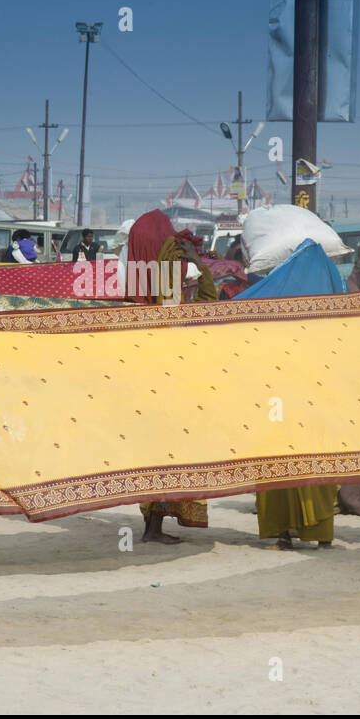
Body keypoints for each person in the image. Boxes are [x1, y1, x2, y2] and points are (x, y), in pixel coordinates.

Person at [126, 210, 219, 543]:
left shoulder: (134, 281)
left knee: (151, 452)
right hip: (173, 380)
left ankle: (153, 523)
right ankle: (154, 527)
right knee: (170, 451)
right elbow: (208, 308)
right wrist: (199, 265)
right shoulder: (169, 276)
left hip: (140, 380)